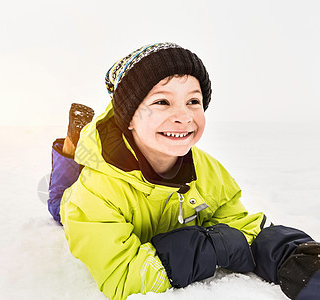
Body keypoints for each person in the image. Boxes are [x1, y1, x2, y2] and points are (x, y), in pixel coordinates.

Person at [47, 43, 320, 300]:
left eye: (193, 101)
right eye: (162, 102)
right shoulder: (95, 194)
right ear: (128, 117)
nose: (184, 116)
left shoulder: (206, 170)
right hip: (75, 204)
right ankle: (72, 150)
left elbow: (241, 228)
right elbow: (125, 279)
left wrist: (293, 255)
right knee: (59, 201)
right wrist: (207, 245)